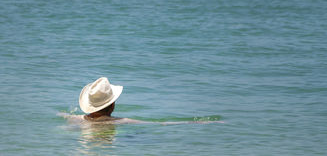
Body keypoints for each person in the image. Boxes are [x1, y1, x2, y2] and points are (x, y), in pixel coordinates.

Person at [59, 77, 223, 125]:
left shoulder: (76, 119)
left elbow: (63, 115)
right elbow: (161, 124)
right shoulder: (121, 121)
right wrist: (196, 122)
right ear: (113, 104)